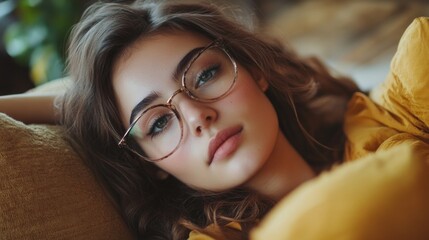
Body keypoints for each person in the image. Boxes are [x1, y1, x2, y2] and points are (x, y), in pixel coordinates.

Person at [3, 1, 427, 239]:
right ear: (152, 165)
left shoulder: (380, 121)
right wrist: (82, 103)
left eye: (204, 75)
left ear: (255, 70)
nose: (197, 115)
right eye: (158, 124)